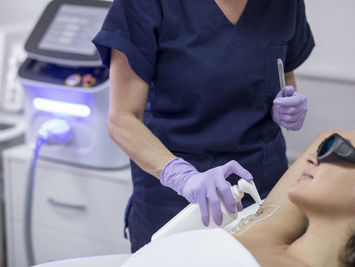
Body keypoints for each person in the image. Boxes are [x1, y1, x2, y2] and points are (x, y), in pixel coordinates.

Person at [92, 0, 314, 252]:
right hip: (175, 199)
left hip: (263, 185)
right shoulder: (146, 5)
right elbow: (122, 119)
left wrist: (286, 102)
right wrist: (180, 176)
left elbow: (283, 69)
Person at [118, 125, 355, 267]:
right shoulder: (267, 227)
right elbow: (331, 132)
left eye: (337, 148)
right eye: (323, 147)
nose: (314, 157)